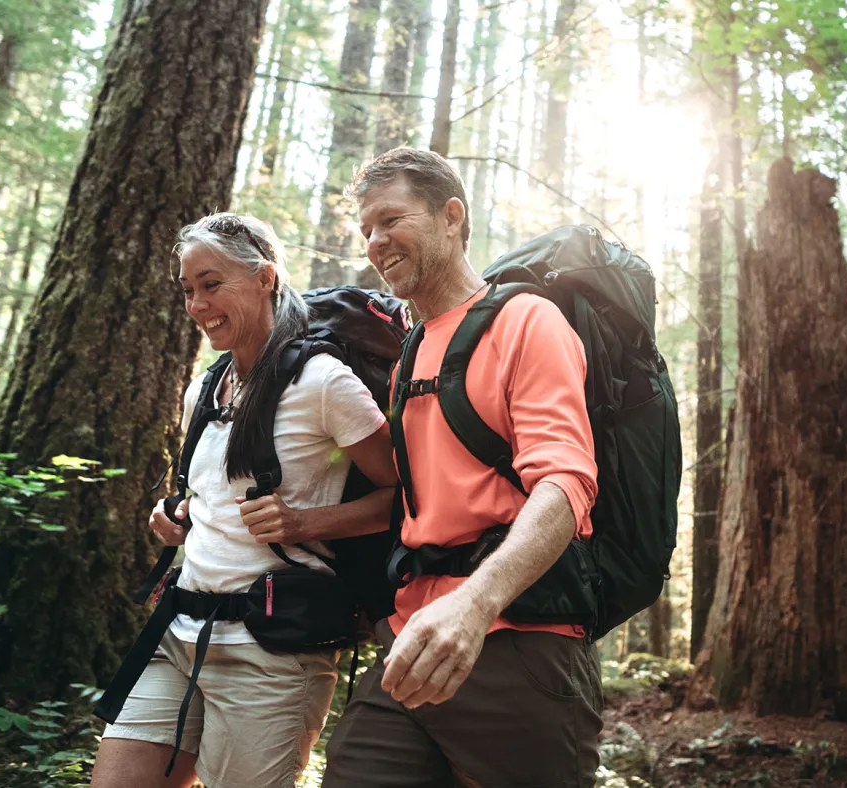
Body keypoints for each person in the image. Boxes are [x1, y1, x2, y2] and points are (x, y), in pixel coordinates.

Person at [323, 148, 603, 787]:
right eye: (366, 229)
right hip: (411, 641)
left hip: (519, 639)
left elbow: (566, 480)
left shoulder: (526, 320)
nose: (376, 241)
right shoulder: (409, 355)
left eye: (392, 219)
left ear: (453, 216)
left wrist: (474, 606)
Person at [91, 213, 397, 788]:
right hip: (179, 635)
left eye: (211, 284)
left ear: (265, 278)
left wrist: (307, 522)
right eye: (187, 291)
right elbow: (212, 494)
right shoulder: (205, 388)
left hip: (273, 653)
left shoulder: (325, 382)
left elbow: (405, 496)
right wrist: (181, 515)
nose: (197, 305)